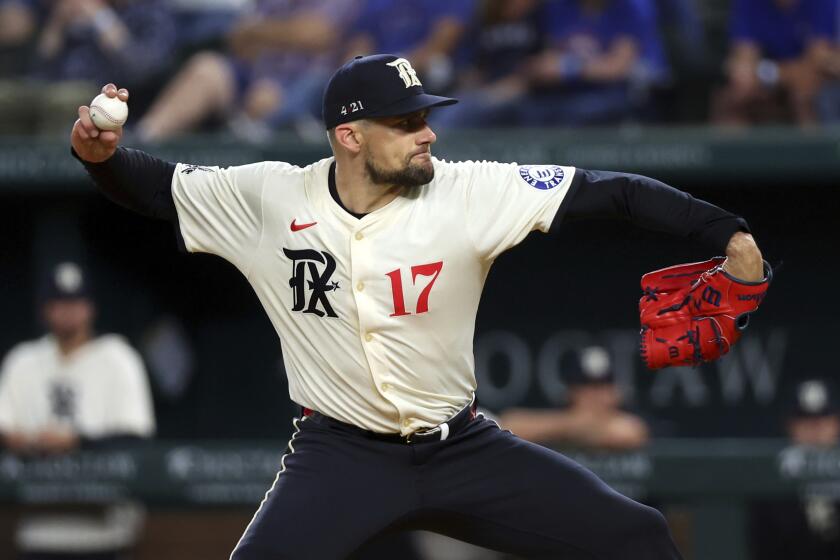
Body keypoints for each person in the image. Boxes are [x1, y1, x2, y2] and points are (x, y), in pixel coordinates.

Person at [69, 53, 767, 559]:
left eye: (425, 117)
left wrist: (725, 231)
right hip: (339, 454)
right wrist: (100, 157)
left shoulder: (467, 191)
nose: (426, 132)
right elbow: (157, 188)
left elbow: (607, 189)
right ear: (350, 136)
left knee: (637, 537)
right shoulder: (270, 198)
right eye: (404, 122)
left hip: (463, 447)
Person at [0, 261, 156, 560]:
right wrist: (16, 441)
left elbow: (137, 440)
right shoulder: (22, 360)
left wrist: (76, 441)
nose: (68, 311)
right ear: (45, 309)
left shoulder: (119, 357)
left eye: (75, 302)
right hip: (38, 532)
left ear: (90, 308)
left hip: (105, 535)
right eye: (58, 303)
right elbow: (5, 427)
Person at [750, 379, 840, 560]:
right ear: (790, 426)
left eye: (823, 420)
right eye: (805, 421)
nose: (815, 429)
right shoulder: (771, 475)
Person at [500, 345, 649, 450]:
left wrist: (581, 427)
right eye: (585, 386)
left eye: (601, 386)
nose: (593, 395)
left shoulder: (626, 421)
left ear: (615, 392)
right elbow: (508, 424)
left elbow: (630, 433)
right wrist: (573, 425)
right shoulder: (561, 415)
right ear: (571, 392)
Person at [713, 0, 835, 127]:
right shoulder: (748, 3)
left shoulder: (824, 3)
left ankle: (815, 145)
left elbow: (814, 66)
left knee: (803, 94)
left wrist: (767, 73)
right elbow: (743, 65)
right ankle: (736, 146)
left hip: (816, 87)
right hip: (767, 85)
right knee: (734, 98)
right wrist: (770, 76)